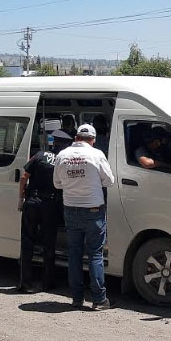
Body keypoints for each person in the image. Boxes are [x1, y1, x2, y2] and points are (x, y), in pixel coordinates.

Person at [53, 124, 114, 310]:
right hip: (93, 210)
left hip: (71, 209)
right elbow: (109, 181)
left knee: (74, 254)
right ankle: (99, 299)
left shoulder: (62, 155)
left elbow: (57, 184)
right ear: (93, 139)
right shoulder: (96, 155)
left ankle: (77, 299)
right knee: (95, 254)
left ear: (76, 137)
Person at [17, 129, 72, 293]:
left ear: (53, 142)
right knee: (49, 243)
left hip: (33, 201)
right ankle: (48, 282)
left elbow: (23, 177)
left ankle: (25, 283)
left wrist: (21, 198)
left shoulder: (39, 156)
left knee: (27, 242)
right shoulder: (64, 161)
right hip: (50, 205)